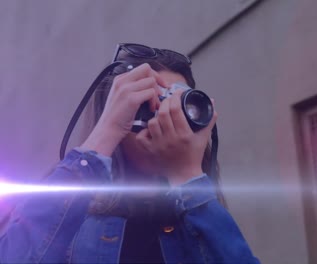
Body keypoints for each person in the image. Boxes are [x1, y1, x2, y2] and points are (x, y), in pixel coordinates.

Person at [0, 43, 260, 263]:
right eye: (148, 104)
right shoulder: (70, 200)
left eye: (176, 106)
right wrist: (105, 134)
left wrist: (189, 177)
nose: (164, 117)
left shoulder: (197, 210)